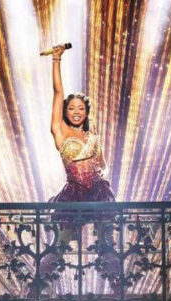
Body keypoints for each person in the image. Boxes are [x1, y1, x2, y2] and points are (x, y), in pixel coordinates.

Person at [46, 44, 114, 202]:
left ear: (86, 112)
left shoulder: (92, 136)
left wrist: (101, 173)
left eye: (81, 108)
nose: (76, 112)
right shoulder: (60, 130)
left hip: (98, 193)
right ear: (65, 111)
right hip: (73, 196)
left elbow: (103, 165)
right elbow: (58, 92)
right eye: (71, 108)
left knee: (107, 219)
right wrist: (56, 58)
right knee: (69, 219)